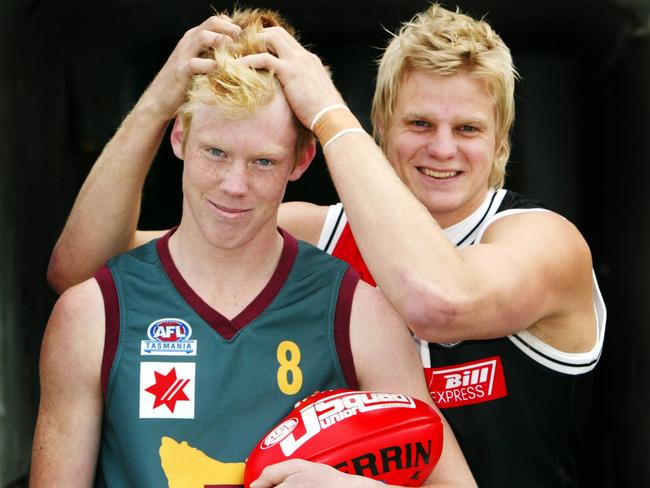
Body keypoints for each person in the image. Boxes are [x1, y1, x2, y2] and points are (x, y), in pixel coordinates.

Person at [46, 3, 606, 487]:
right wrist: (157, 103)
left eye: (467, 129)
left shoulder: (542, 240)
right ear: (381, 127)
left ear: (501, 139)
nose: (441, 149)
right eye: (419, 122)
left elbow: (439, 299)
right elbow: (93, 268)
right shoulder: (318, 233)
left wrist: (325, 110)